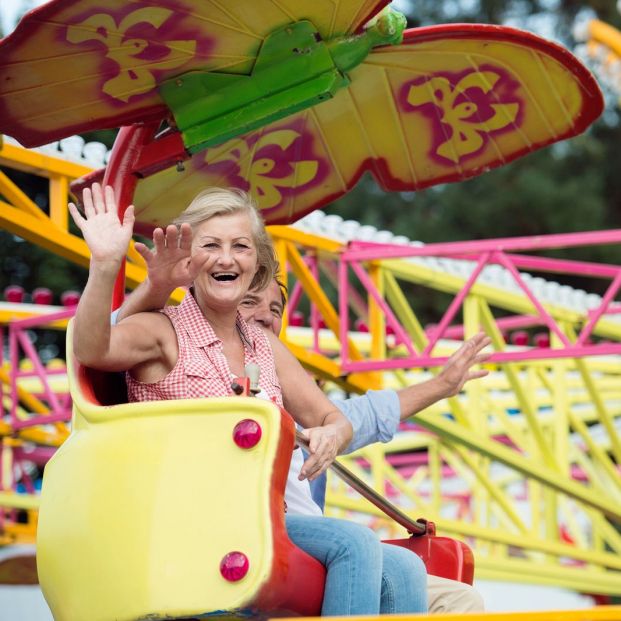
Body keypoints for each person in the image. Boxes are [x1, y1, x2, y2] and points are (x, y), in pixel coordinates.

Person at [70, 183, 428, 616]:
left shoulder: (263, 344)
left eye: (240, 246)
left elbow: (329, 415)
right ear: (188, 259)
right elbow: (91, 349)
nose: (226, 258)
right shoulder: (161, 331)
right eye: (211, 246)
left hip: (260, 520)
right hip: (192, 519)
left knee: (406, 567)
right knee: (354, 541)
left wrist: (332, 435)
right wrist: (105, 264)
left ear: (255, 261)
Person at [115, 220, 490, 614]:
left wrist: (442, 385)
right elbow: (108, 345)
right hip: (241, 530)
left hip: (305, 542)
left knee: (443, 588)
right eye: (249, 304)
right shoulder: (190, 358)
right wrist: (150, 286)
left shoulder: (283, 380)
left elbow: (356, 417)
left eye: (275, 308)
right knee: (356, 545)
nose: (263, 316)